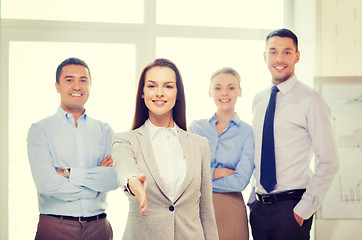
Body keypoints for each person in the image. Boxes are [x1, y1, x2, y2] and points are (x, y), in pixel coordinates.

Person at [112, 58, 219, 240]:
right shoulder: (125, 140)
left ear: (178, 93)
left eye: (168, 86)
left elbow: (206, 209)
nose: (160, 93)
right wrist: (133, 183)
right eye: (152, 86)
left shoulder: (199, 144)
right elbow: (125, 169)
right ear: (142, 93)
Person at [249, 28, 339, 240]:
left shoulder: (311, 100)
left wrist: (303, 209)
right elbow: (260, 152)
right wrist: (253, 198)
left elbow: (329, 161)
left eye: (287, 52)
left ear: (297, 56)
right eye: (273, 52)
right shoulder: (258, 100)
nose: (279, 58)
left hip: (291, 209)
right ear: (265, 56)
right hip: (259, 210)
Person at [27, 57, 118, 240]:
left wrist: (68, 173)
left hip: (99, 228)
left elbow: (114, 178)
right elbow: (46, 184)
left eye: (83, 80)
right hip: (55, 228)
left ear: (90, 86)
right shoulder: (40, 130)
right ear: (57, 86)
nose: (77, 86)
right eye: (69, 80)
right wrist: (94, 184)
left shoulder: (105, 130)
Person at [189, 67, 254, 240]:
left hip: (231, 209)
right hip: (196, 210)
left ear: (240, 91)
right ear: (210, 92)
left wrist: (203, 177)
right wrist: (217, 172)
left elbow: (240, 182)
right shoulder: (196, 128)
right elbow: (188, 173)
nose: (224, 93)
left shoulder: (248, 132)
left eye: (231, 87)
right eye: (218, 87)